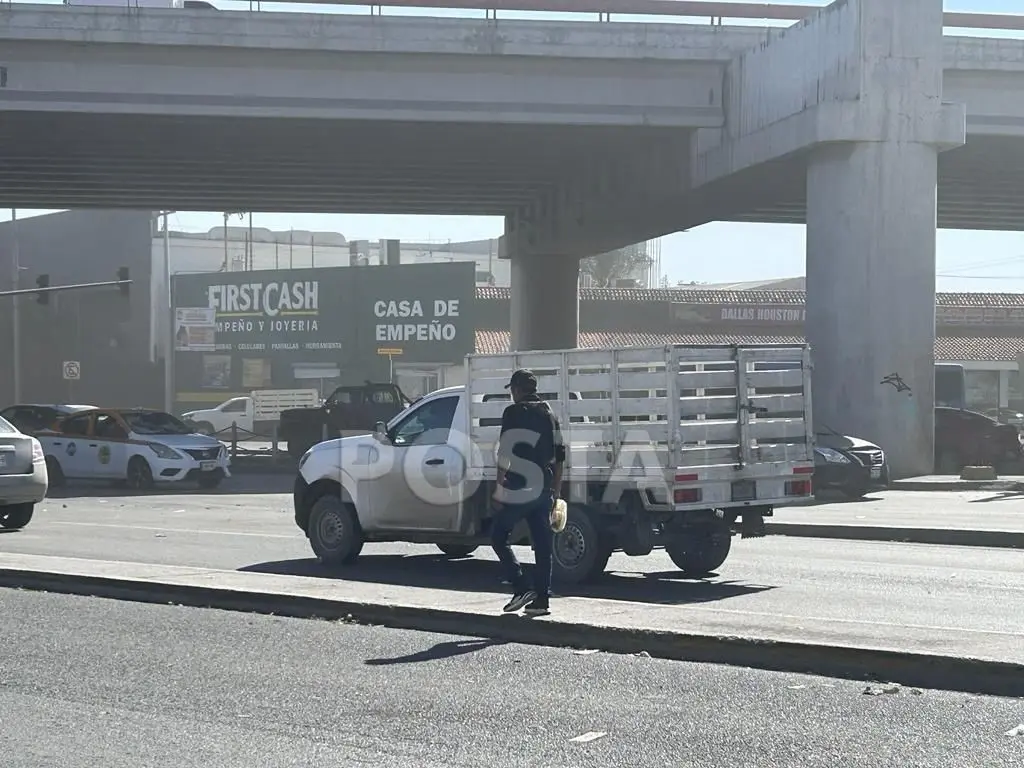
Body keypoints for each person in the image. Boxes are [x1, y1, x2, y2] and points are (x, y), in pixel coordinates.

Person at [490, 369, 566, 616]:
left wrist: (500, 486)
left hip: (519, 487)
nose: (511, 394)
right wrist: (556, 490)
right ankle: (542, 601)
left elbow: (505, 453)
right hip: (543, 486)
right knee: (543, 546)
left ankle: (521, 587)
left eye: (512, 389)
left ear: (518, 390)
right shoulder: (549, 413)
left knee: (499, 537)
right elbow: (560, 456)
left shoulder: (512, 413)